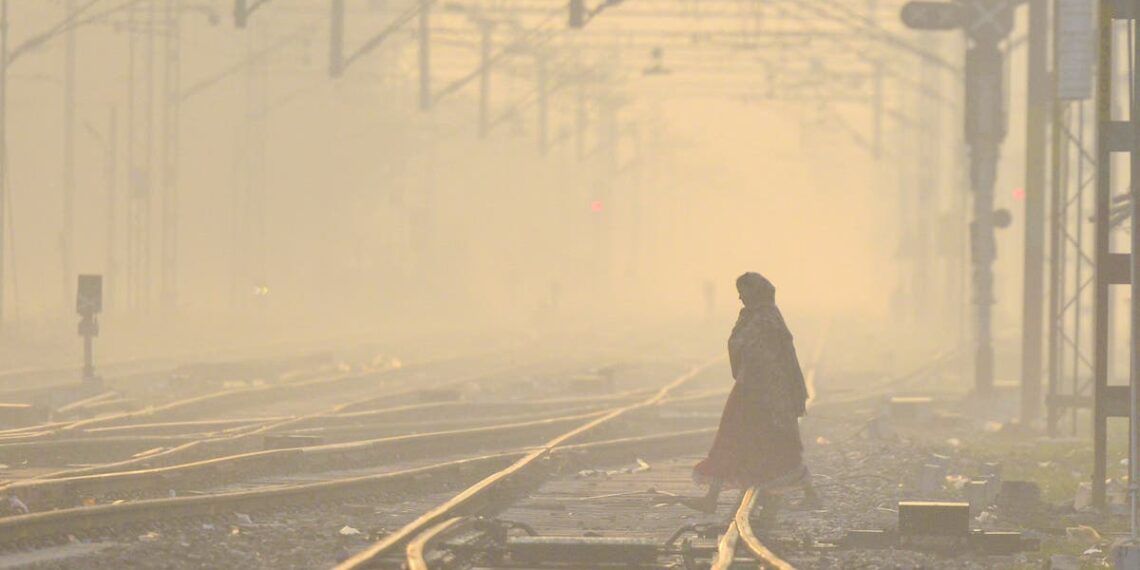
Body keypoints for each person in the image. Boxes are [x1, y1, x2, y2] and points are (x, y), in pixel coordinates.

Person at [677, 272, 819, 514]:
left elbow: (755, 351)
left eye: (743, 291)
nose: (740, 297)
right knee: (736, 440)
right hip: (754, 389)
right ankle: (712, 497)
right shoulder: (762, 316)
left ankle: (810, 493)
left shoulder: (763, 319)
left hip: (763, 394)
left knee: (767, 442)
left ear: (754, 292)